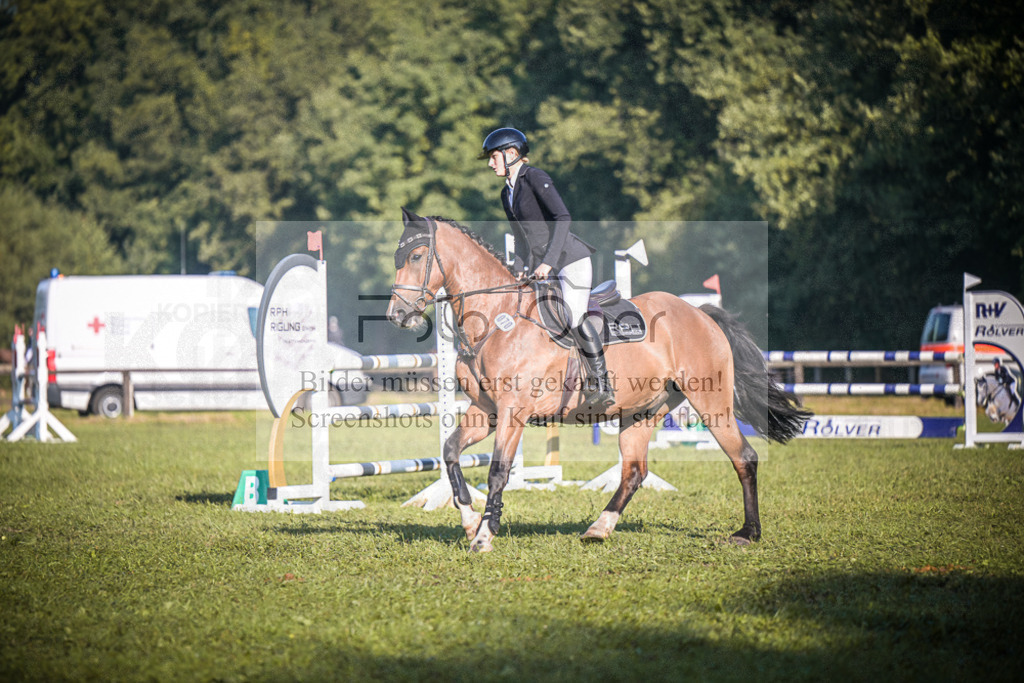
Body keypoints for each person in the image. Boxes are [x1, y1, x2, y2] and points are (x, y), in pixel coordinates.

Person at [480, 127, 614, 409]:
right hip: (541, 266)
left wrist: (548, 263)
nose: (490, 163)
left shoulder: (535, 177)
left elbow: (563, 218)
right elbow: (520, 238)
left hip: (569, 260)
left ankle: (601, 382)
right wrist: (518, 268)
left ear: (511, 153)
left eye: (494, 157)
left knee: (573, 316)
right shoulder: (506, 193)